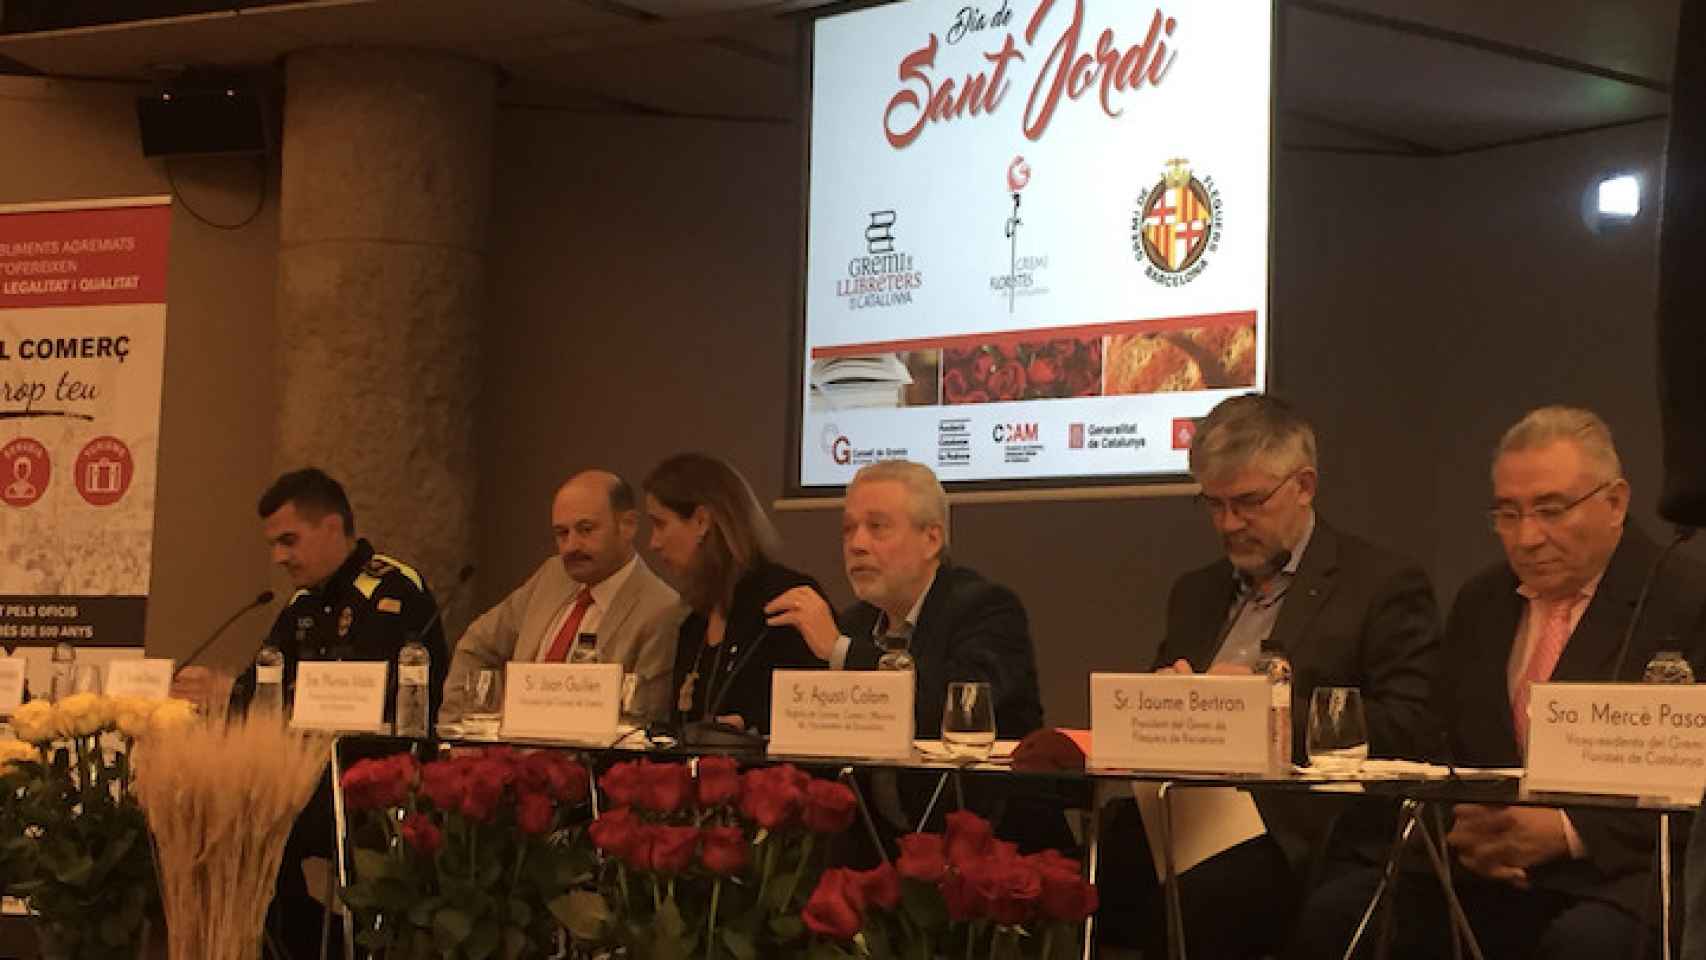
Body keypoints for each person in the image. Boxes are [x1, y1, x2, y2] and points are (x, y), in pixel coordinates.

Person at [1297, 406, 1706, 959]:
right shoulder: (1482, 601)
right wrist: (1465, 829)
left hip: (1625, 869)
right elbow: (1441, 746)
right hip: (1489, 870)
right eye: (1507, 514)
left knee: (1583, 944)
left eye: (1551, 510)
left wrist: (1566, 832)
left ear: (1615, 503)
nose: (1527, 537)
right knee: (1343, 915)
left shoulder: (1686, 599)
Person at [1099, 394, 1441, 959]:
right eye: (1213, 505)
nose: (1229, 524)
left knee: (1200, 896)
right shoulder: (1196, 593)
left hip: (1302, 831)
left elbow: (1412, 726)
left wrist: (1270, 712)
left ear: (1303, 486)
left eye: (1248, 503)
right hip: (1182, 813)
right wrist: (1166, 698)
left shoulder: (1379, 585)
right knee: (1068, 874)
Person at [176, 467, 448, 960]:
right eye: (274, 545)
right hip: (306, 780)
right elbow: (259, 689)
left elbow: (389, 699)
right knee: (222, 818)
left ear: (331, 527)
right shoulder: (301, 605)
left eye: (288, 541)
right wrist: (224, 694)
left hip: (374, 779)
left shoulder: (392, 590)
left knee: (264, 822)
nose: (278, 557)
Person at [764, 459, 1051, 847]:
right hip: (878, 849)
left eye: (877, 527)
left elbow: (952, 708)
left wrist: (841, 652)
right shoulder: (855, 623)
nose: (857, 544)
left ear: (931, 540)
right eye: (848, 529)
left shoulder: (985, 609)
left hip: (986, 848)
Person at [444, 470, 683, 722]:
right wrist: (459, 732)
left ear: (628, 526)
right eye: (562, 533)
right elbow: (476, 645)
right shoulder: (553, 576)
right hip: (510, 753)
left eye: (586, 529)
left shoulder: (661, 610)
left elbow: (643, 724)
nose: (571, 546)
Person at [643, 453, 829, 734]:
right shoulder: (693, 625)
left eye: (660, 524)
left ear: (702, 522)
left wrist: (752, 726)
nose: (653, 543)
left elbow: (823, 715)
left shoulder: (786, 602)